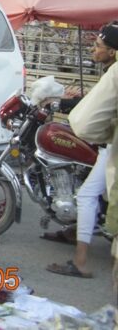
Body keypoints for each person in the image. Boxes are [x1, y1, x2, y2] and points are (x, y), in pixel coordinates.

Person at [55, 23, 118, 279]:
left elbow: (85, 122)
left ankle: (80, 260)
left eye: (98, 47)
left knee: (86, 196)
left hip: (113, 148)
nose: (94, 50)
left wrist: (103, 136)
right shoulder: (109, 72)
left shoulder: (114, 73)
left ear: (113, 51)